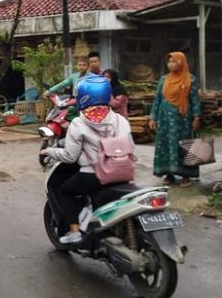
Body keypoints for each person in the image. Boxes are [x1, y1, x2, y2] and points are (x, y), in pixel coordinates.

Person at [40, 76, 132, 243]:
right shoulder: (121, 120)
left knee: (64, 191)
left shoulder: (79, 122)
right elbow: (130, 146)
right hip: (124, 173)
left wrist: (50, 151)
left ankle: (74, 231)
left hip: (94, 175)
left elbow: (70, 156)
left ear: (83, 97)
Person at [148, 52, 202, 187]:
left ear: (181, 62)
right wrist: (153, 117)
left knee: (184, 144)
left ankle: (186, 175)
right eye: (169, 62)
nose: (171, 64)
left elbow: (195, 100)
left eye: (174, 61)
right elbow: (157, 99)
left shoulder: (191, 79)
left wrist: (196, 117)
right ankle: (169, 174)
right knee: (165, 144)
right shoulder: (163, 79)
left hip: (182, 119)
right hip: (165, 117)